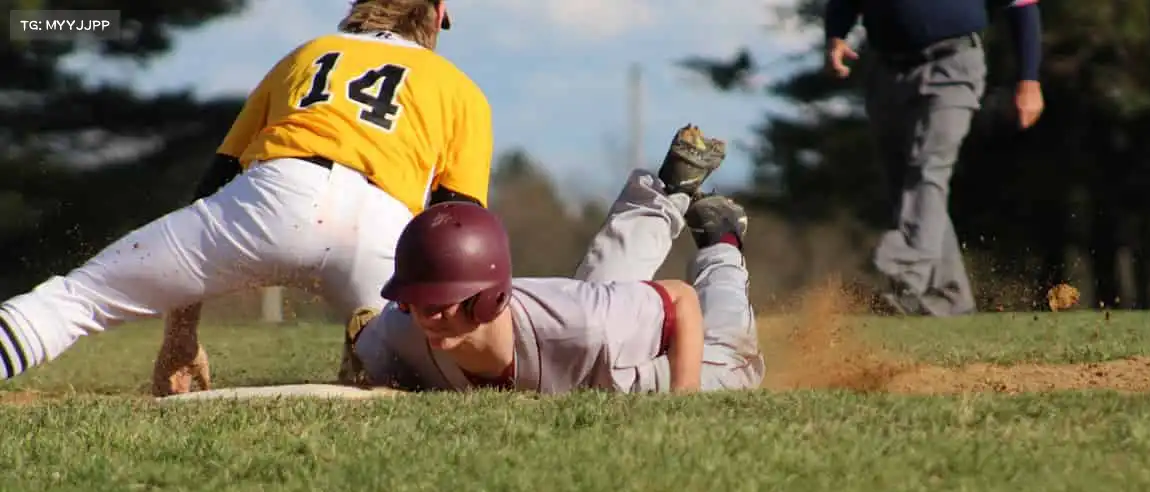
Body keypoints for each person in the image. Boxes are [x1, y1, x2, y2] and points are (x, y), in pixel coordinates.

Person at [0, 0, 493, 395]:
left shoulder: (309, 54)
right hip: (383, 226)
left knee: (79, 298)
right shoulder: (462, 90)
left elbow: (216, 182)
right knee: (429, 374)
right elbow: (460, 230)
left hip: (276, 197)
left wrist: (181, 335)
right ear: (436, 14)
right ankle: (376, 347)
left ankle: (376, 345)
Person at [345, 125, 765, 393]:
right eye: (412, 301)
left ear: (490, 298)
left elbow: (680, 301)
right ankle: (671, 187)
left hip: (630, 363)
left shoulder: (580, 325)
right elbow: (362, 339)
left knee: (733, 363)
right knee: (600, 294)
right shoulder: (403, 329)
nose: (425, 316)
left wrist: (685, 396)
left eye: (440, 304)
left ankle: (720, 239)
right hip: (586, 323)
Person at [824, 0, 1045, 316]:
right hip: (886, 72)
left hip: (952, 66)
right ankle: (949, 298)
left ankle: (905, 272)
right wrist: (836, 36)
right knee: (906, 187)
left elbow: (1022, 5)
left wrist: (1029, 80)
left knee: (928, 170)